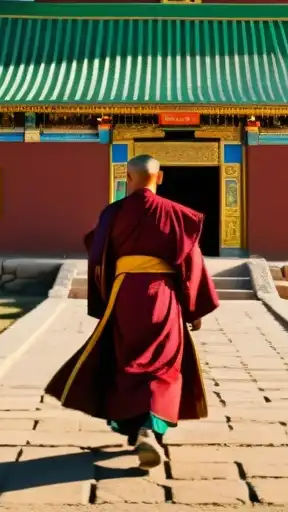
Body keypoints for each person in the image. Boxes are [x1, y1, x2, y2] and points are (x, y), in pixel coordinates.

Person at [44, 154, 220, 468]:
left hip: (123, 295)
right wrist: (194, 308)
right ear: (160, 177)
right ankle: (150, 429)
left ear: (128, 177)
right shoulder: (177, 215)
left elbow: (98, 256)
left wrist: (103, 299)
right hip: (163, 296)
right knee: (163, 364)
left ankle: (134, 426)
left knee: (127, 360)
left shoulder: (113, 214)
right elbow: (191, 262)